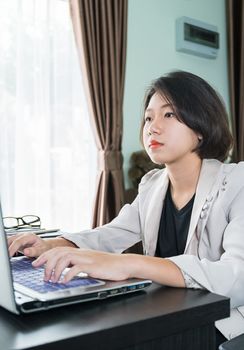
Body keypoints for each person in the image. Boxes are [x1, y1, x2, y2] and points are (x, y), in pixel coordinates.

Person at [8, 71, 244, 346]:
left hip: (221, 326)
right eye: (148, 117)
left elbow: (236, 278)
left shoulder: (237, 181)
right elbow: (110, 235)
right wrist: (50, 246)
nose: (152, 128)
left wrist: (129, 263)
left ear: (201, 126)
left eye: (168, 115)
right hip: (166, 314)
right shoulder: (152, 184)